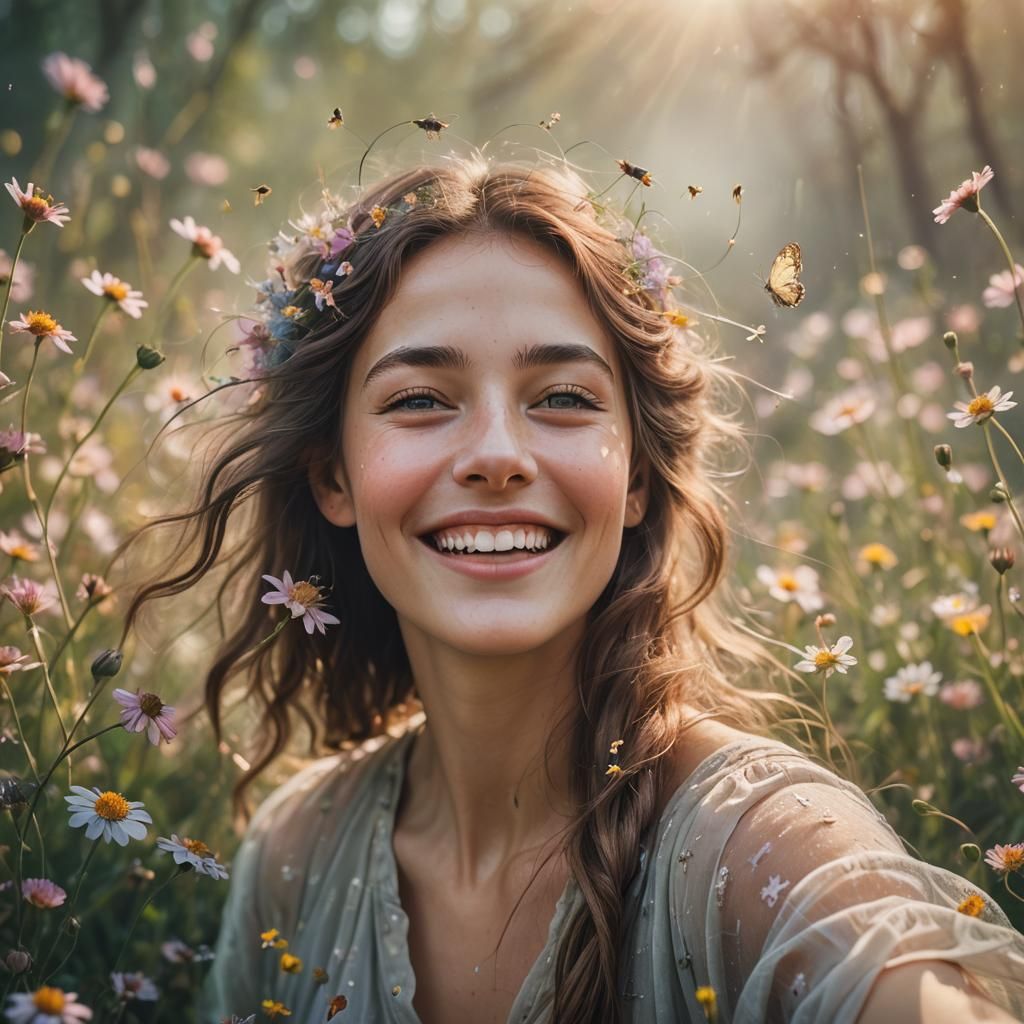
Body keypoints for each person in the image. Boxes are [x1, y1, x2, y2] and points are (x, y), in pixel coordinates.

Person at [119, 154, 1024, 1023]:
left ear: (635, 478)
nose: (499, 457)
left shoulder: (760, 848)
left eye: (562, 398)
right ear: (334, 478)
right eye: (421, 400)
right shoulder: (292, 855)